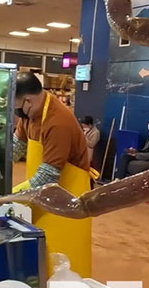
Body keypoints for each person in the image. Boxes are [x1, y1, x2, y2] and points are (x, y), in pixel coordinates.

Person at [11, 71, 95, 277]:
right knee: (45, 256)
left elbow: (47, 178)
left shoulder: (58, 122)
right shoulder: (29, 115)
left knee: (67, 263)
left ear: (28, 100)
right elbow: (16, 147)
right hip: (42, 198)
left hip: (69, 198)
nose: (17, 115)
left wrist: (11, 195)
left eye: (17, 108)